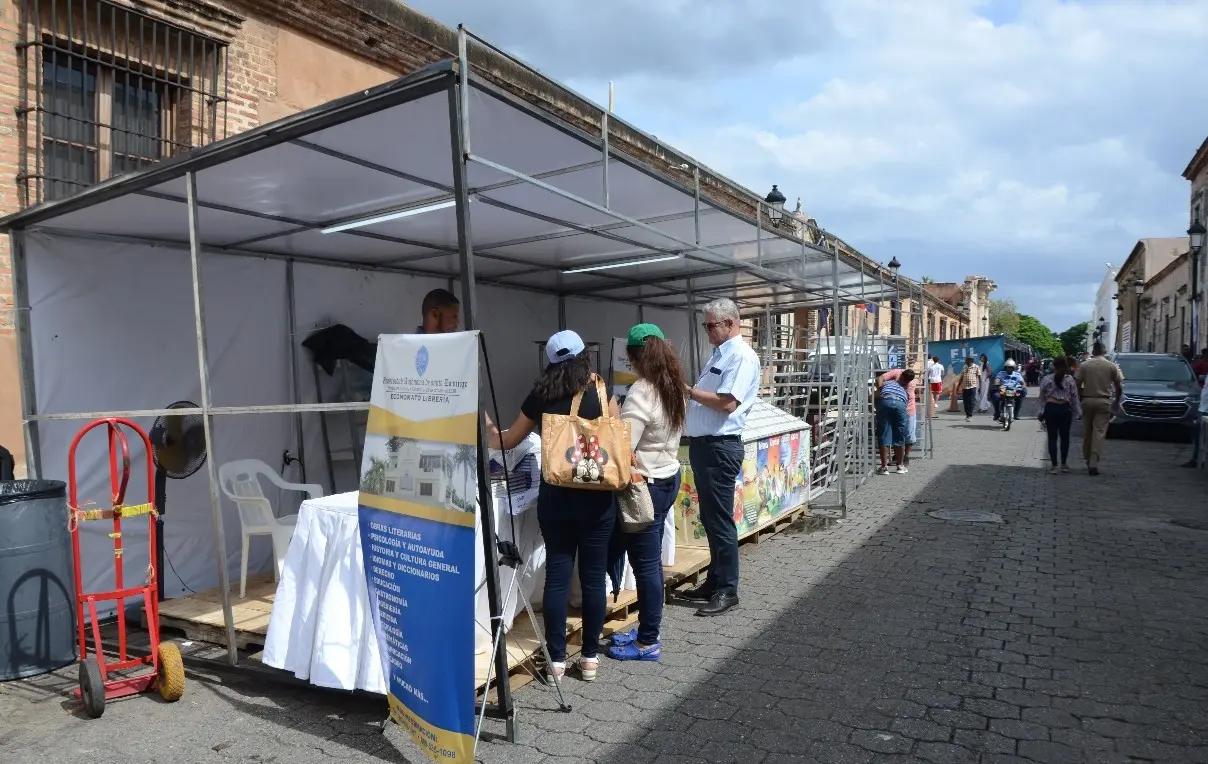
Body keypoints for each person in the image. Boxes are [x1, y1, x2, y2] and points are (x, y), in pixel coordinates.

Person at [487, 330, 618, 681]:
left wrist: (487, 425)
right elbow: (618, 438)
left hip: (556, 497)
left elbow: (506, 441)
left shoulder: (541, 395)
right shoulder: (601, 391)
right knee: (593, 578)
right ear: (584, 355)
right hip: (597, 498)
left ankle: (556, 660)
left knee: (557, 576)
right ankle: (589, 658)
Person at [606, 324, 686, 661]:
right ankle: (646, 631)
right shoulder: (674, 385)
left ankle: (648, 640)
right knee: (650, 562)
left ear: (636, 357)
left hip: (646, 486)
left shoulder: (642, 390)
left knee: (646, 567)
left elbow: (624, 447)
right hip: (668, 476)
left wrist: (611, 415)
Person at [680, 298, 760, 617]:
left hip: (719, 446)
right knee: (710, 518)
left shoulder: (740, 355)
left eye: (711, 325)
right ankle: (714, 580)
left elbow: (727, 403)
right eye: (706, 325)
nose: (707, 331)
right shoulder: (722, 353)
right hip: (707, 446)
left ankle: (728, 589)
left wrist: (688, 391)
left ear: (730, 323)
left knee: (720, 520)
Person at [1075, 341, 1124, 476]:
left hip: (1087, 400)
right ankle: (1093, 461)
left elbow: (1076, 384)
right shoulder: (1112, 366)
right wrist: (1116, 401)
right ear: (1104, 352)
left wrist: (1079, 398)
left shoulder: (1084, 365)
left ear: (1093, 351)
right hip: (1104, 401)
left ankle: (1087, 457)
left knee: (1087, 432)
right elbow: (1119, 387)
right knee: (1099, 432)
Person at [1038, 357, 1081, 473]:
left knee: (1052, 438)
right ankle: (1064, 464)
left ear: (1054, 366)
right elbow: (1074, 397)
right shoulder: (1070, 379)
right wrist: (1078, 412)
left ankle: (1054, 465)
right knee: (1065, 438)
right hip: (1065, 410)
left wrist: (1041, 412)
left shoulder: (1047, 379)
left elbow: (1041, 398)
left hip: (1051, 409)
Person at [875, 370, 914, 474]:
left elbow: (876, 392)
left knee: (884, 434)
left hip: (885, 402)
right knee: (899, 435)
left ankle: (884, 467)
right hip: (900, 404)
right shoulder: (905, 389)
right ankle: (900, 466)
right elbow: (907, 402)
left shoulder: (886, 383)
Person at [880, 366, 919, 465]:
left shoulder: (911, 382)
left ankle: (905, 457)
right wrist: (880, 391)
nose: (905, 383)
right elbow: (880, 378)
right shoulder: (896, 372)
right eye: (904, 380)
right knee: (896, 434)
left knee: (909, 435)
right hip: (896, 408)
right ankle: (897, 458)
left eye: (907, 381)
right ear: (901, 376)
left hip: (909, 409)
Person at [959, 356, 981, 421]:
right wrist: (958, 386)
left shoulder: (976, 367)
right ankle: (967, 414)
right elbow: (962, 377)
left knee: (971, 401)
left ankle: (970, 415)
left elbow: (979, 377)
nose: (965, 361)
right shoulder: (964, 367)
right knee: (965, 401)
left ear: (970, 361)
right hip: (965, 387)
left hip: (972, 386)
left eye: (966, 360)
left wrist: (980, 386)